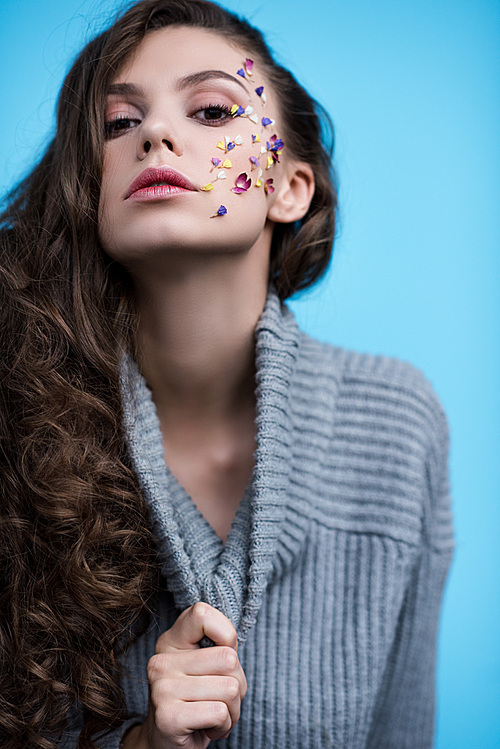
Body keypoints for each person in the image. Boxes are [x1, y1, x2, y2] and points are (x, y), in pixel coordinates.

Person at [0, 0, 454, 747]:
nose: (154, 132)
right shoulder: (19, 419)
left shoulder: (398, 422)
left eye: (212, 108)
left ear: (290, 188)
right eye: (119, 123)